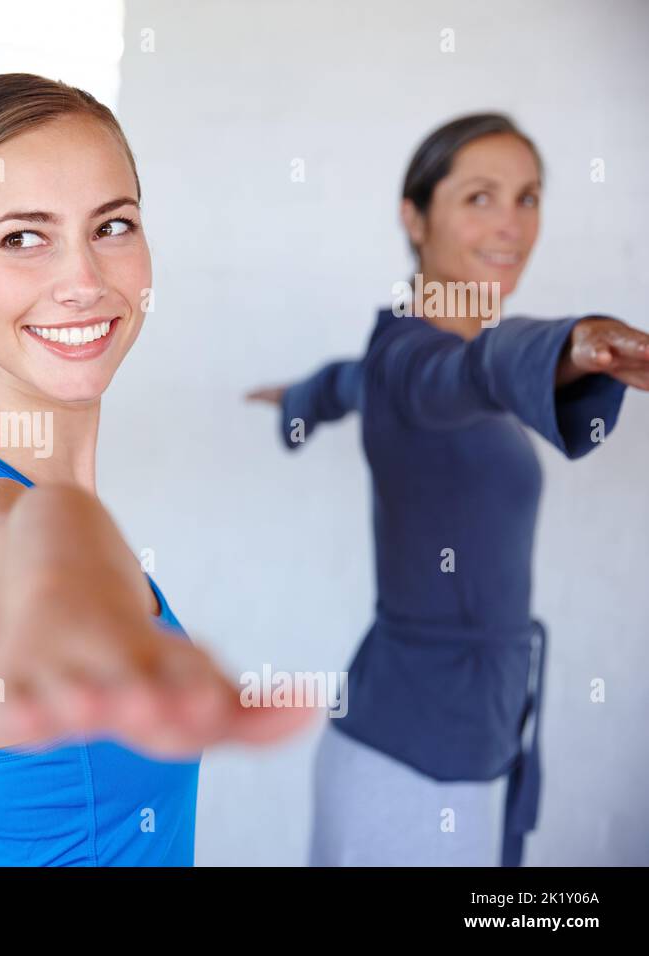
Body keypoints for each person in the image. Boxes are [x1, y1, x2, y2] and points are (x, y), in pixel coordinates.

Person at [0, 73, 314, 867]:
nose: (83, 280)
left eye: (112, 225)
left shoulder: (12, 496)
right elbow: (22, 564)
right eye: (22, 237)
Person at [247, 113, 649, 866]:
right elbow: (462, 374)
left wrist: (303, 394)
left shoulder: (393, 355)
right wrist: (569, 345)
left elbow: (356, 381)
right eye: (480, 197)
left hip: (456, 740)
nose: (512, 225)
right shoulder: (422, 360)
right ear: (414, 215)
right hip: (411, 766)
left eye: (528, 198)